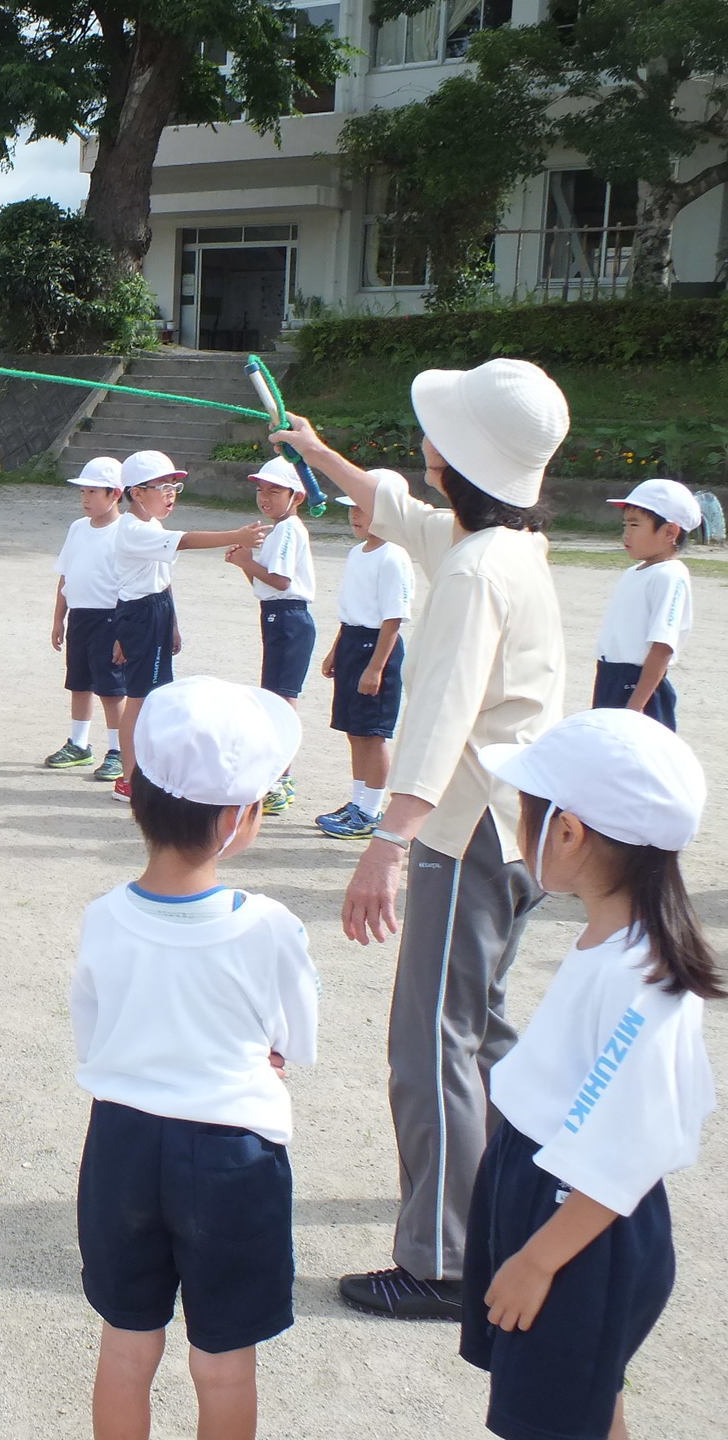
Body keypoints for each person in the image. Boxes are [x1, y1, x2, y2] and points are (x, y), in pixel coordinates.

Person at [273, 356, 570, 1321]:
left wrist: (388, 843)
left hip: (468, 824)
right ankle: (536, 1182)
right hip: (515, 824)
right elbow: (409, 516)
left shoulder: (479, 568)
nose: (423, 445)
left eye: (435, 432)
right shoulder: (507, 543)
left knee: (432, 1037)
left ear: (458, 458)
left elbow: (442, 712)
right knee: (478, 1027)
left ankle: (441, 1260)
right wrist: (322, 456)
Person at [71, 675, 318, 1440]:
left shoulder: (103, 917)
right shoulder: (269, 924)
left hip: (121, 1142)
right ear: (242, 818)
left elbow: (92, 1031)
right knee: (221, 1362)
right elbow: (295, 1041)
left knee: (126, 1346)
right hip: (231, 1154)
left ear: (135, 787)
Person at [466, 708, 719, 1440]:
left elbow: (625, 1150)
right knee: (576, 1406)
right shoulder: (616, 942)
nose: (520, 831)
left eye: (526, 814)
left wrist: (539, 1260)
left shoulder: (642, 982)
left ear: (568, 833)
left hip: (576, 1221)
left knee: (552, 1419)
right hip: (547, 1186)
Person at [106, 450, 269, 802]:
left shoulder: (151, 524)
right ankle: (130, 778)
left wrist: (173, 623)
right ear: (137, 492)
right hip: (140, 613)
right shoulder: (132, 529)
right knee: (140, 698)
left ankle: (147, 771)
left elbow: (163, 580)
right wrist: (235, 534)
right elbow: (187, 540)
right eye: (162, 487)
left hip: (157, 610)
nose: (170, 495)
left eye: (174, 488)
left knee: (156, 695)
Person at [316, 489, 416, 840]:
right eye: (352, 509)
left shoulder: (393, 557)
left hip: (377, 648)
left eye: (364, 509)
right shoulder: (357, 553)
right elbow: (351, 612)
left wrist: (376, 668)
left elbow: (393, 618)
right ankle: (357, 802)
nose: (355, 515)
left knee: (373, 734)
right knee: (354, 730)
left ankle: (372, 811)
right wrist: (336, 651)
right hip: (352, 643)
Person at [224, 455, 316, 816]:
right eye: (262, 490)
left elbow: (281, 582)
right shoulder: (279, 530)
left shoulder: (290, 529)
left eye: (275, 491)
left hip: (290, 617)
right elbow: (265, 586)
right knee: (275, 695)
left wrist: (247, 561)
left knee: (282, 700)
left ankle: (282, 778)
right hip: (277, 614)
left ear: (296, 496)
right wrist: (245, 563)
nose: (265, 498)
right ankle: (278, 775)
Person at [592, 477, 699, 731]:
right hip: (611, 677)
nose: (626, 533)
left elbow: (662, 647)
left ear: (670, 532)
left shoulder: (670, 575)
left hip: (638, 685)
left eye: (635, 524)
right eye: (625, 524)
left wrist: (636, 704)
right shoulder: (635, 572)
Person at [44, 456, 128, 780]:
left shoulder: (124, 532)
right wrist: (58, 619)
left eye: (94, 492)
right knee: (78, 683)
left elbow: (130, 585)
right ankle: (79, 744)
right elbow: (65, 576)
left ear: (115, 494)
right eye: (83, 493)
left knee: (111, 688)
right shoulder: (77, 529)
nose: (86, 499)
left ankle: (118, 750)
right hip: (79, 616)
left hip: (110, 618)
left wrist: (124, 631)